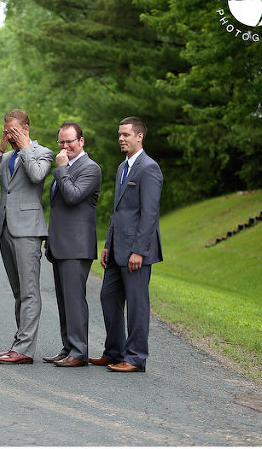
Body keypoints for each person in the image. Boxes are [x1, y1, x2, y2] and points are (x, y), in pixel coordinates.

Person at [91, 116, 163, 373]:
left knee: (136, 305)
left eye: (126, 135)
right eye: (119, 134)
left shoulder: (149, 168)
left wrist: (139, 251)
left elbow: (149, 214)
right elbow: (118, 211)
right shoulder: (123, 167)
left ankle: (135, 358)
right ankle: (114, 352)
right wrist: (108, 245)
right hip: (116, 249)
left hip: (136, 252)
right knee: (108, 297)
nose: (121, 139)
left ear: (139, 136)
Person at [0, 109, 53, 364]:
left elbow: (37, 175)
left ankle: (24, 350)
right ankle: (18, 344)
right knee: (18, 291)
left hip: (28, 230)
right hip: (5, 229)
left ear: (25, 129)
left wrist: (24, 148)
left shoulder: (42, 152)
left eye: (13, 132)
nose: (10, 136)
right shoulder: (5, 157)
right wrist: (0, 149)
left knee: (29, 292)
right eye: (6, 132)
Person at [44, 122, 102, 367]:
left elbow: (72, 196)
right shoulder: (66, 167)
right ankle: (68, 347)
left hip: (77, 246)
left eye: (69, 141)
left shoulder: (91, 168)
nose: (65, 146)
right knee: (63, 300)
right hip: (60, 244)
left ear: (81, 141)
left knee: (74, 300)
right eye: (61, 142)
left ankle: (79, 352)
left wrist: (61, 169)